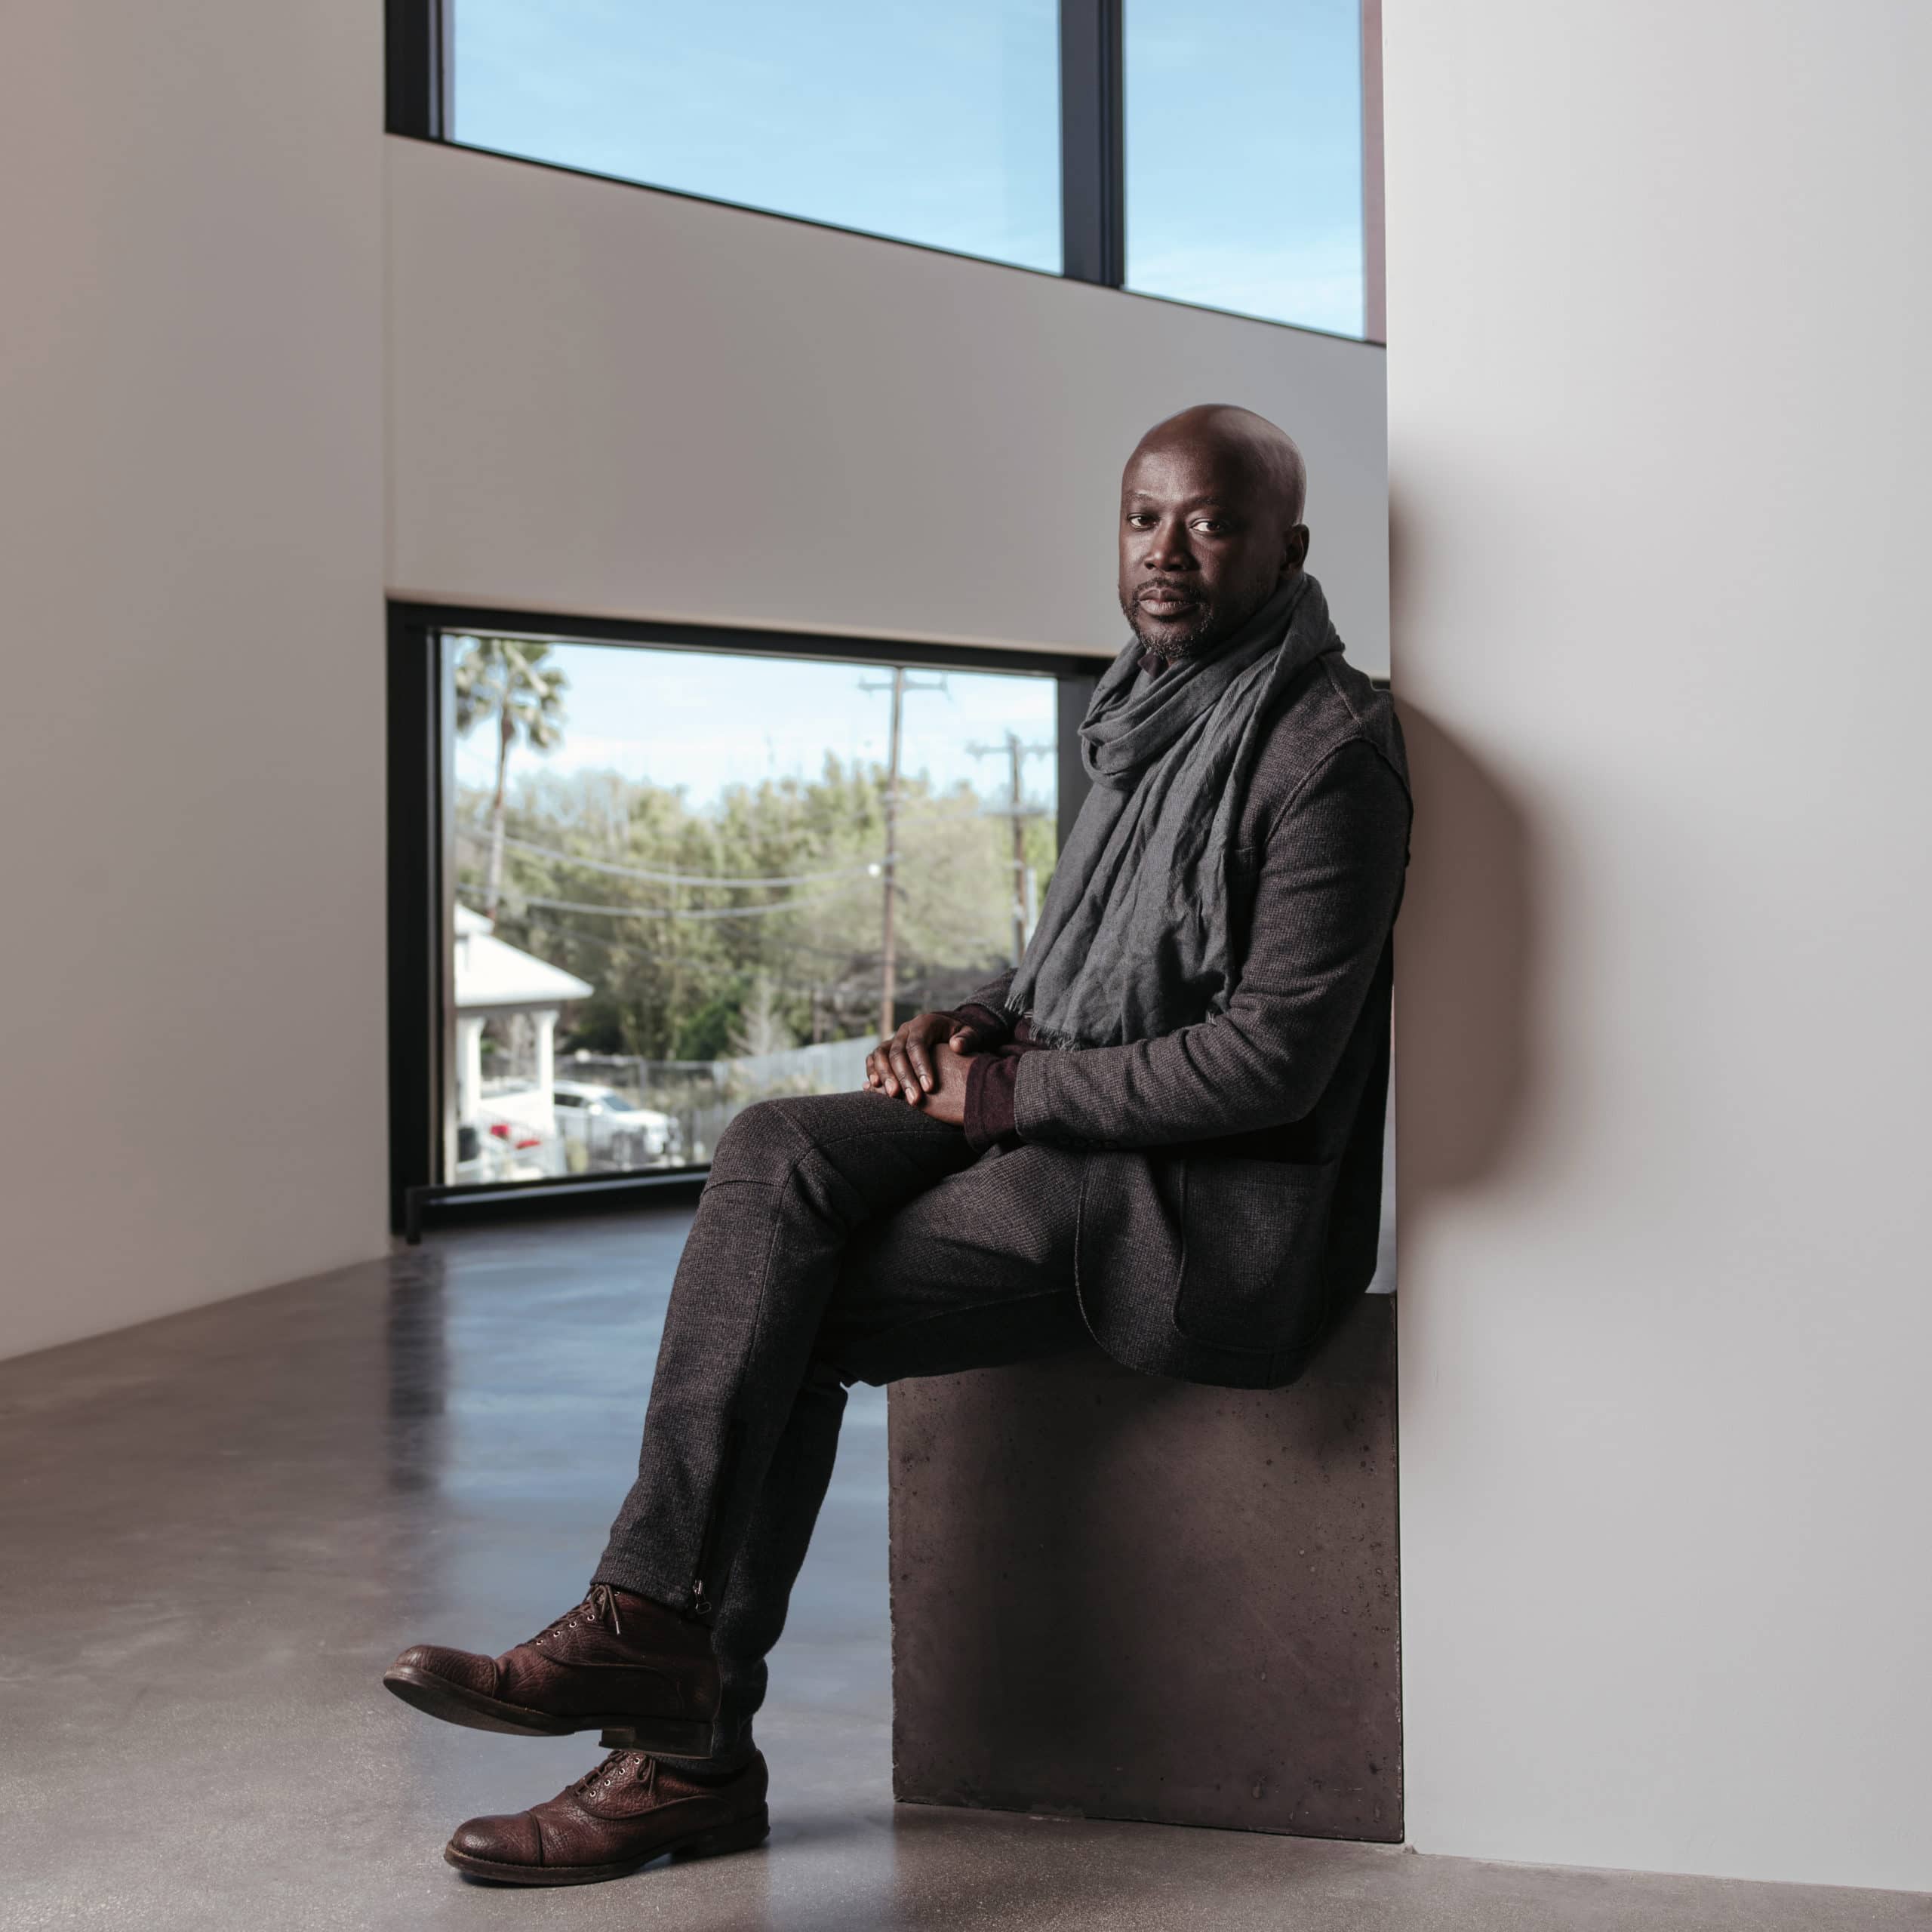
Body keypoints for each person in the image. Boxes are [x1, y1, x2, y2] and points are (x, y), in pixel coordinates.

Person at [382, 403, 1412, 1887]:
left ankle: (677, 1742)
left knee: (780, 1316)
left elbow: (1265, 1060)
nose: (1164, 553)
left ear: (1287, 548)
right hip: (1065, 1101)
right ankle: (653, 1643)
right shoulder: (1142, 709)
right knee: (774, 1144)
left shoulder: (1327, 746)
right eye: (1140, 519)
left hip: (1195, 1209)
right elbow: (1070, 957)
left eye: (1207, 521)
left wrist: (994, 1098)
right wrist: (971, 1018)